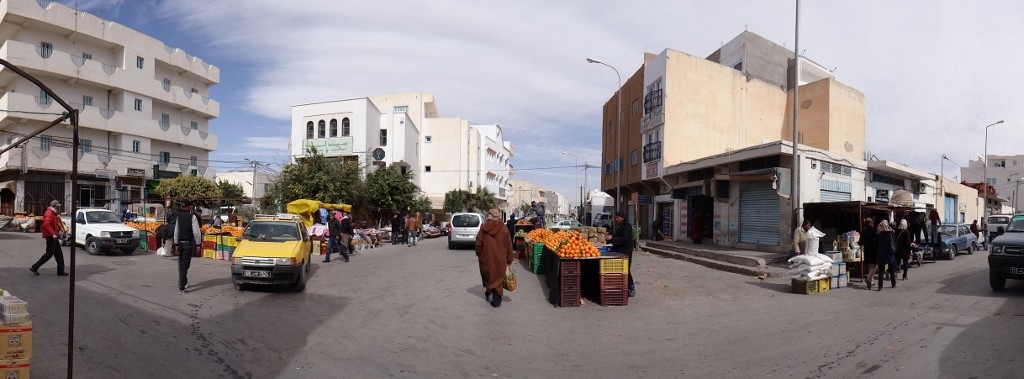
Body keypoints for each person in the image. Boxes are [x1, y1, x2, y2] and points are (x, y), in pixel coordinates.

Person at [475, 208, 514, 308]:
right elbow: (509, 246)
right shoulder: (504, 229)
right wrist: (509, 259)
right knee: (498, 278)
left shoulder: (484, 228)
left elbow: (478, 243)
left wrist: (480, 254)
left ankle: (489, 292)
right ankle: (496, 300)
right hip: (500, 259)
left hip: (486, 258)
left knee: (488, 276)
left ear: (490, 215)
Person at [30, 200, 68, 276]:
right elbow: (46, 225)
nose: (58, 208)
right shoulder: (49, 213)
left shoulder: (53, 213)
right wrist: (53, 234)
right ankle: (35, 267)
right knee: (49, 254)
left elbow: (54, 224)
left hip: (54, 236)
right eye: (57, 207)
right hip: (51, 237)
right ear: (54, 206)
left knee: (59, 254)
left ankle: (60, 271)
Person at [606, 211, 637, 297]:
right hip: (619, 251)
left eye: (617, 218)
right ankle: (623, 288)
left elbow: (623, 239)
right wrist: (609, 239)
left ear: (622, 218)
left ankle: (632, 287)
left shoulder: (627, 227)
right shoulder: (620, 226)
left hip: (625, 252)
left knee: (626, 270)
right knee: (621, 271)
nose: (616, 219)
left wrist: (612, 238)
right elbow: (616, 237)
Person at [173, 200, 201, 294]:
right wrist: (198, 244)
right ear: (189, 207)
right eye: (191, 206)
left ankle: (183, 281)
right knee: (185, 265)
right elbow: (196, 232)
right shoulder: (192, 217)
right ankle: (182, 287)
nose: (192, 208)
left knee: (182, 264)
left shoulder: (178, 217)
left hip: (180, 243)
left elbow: (176, 231)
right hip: (188, 243)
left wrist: (176, 243)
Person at [873, 220, 897, 291]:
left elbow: (875, 244)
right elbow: (894, 242)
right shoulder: (891, 233)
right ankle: (893, 284)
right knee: (892, 270)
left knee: (881, 271)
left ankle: (880, 287)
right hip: (890, 254)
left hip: (881, 254)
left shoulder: (878, 235)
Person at [859, 218, 878, 289]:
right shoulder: (874, 230)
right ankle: (869, 278)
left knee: (870, 265)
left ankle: (871, 281)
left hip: (866, 250)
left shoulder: (863, 231)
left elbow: (860, 242)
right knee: (875, 266)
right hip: (874, 250)